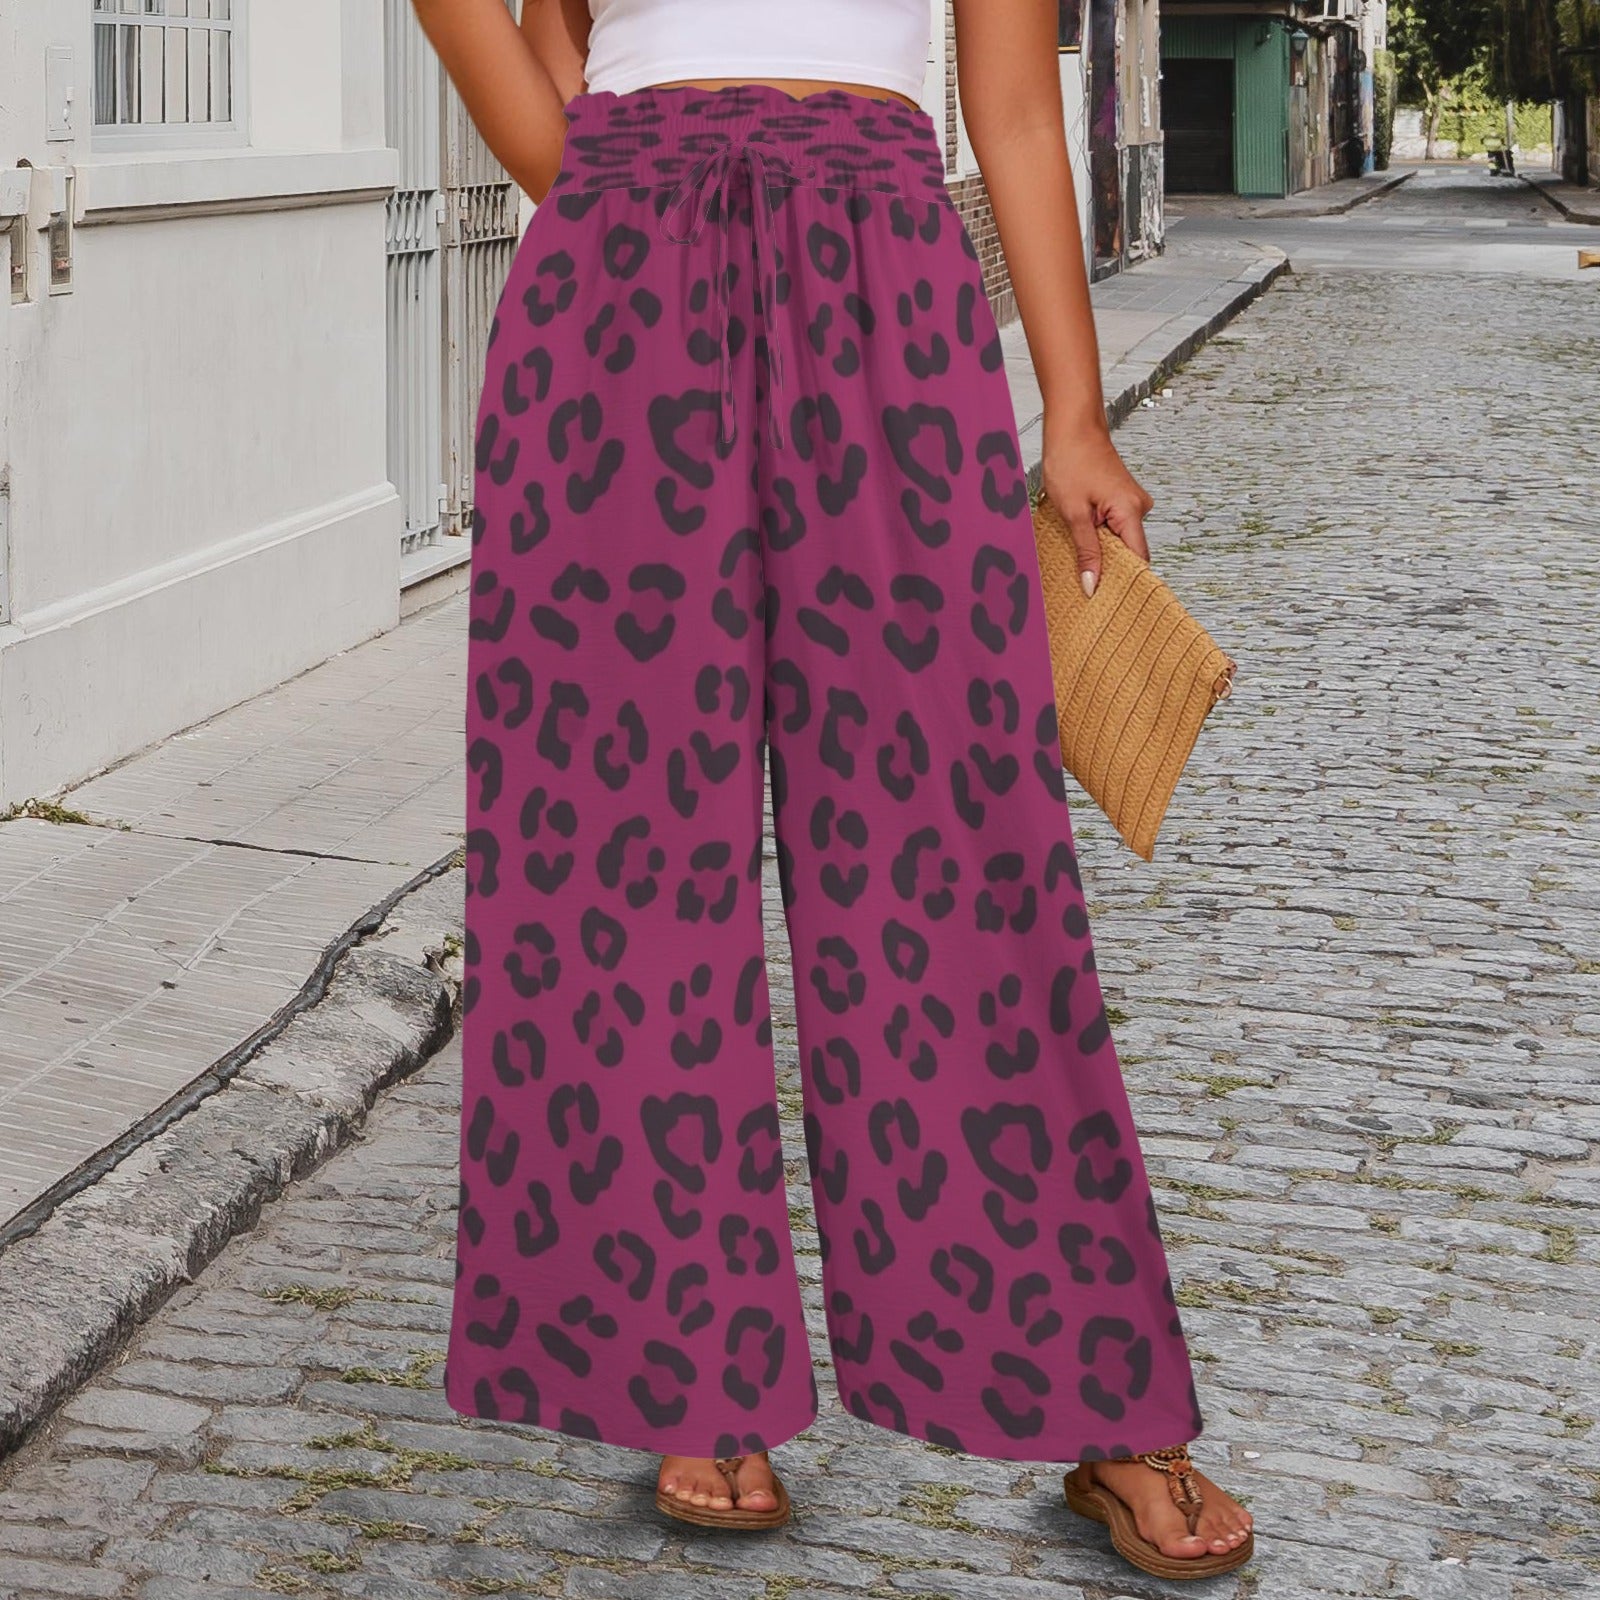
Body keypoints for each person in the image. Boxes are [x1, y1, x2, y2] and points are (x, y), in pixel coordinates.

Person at [412, 0, 1255, 1580]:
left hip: (886, 271)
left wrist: (1076, 414)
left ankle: (1101, 1392)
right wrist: (611, 187)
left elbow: (1015, 105)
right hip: (620, 289)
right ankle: (690, 1365)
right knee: (622, 869)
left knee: (962, 859)